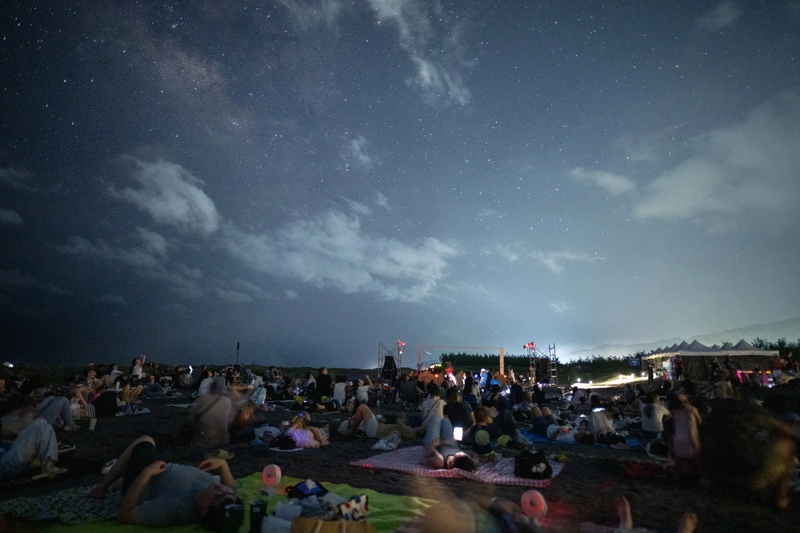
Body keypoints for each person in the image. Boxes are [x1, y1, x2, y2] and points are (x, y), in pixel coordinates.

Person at [85, 435, 238, 530]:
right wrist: (223, 465)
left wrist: (146, 474)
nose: (221, 488)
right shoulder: (221, 496)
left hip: (142, 478)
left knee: (145, 440)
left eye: (219, 494)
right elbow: (232, 490)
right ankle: (120, 481)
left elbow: (124, 515)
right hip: (160, 472)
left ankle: (102, 487)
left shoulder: (174, 508)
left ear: (204, 510)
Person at [0, 418, 68, 479]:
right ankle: (48, 467)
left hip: (7, 452)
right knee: (43, 428)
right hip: (4, 463)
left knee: (41, 422)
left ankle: (46, 463)